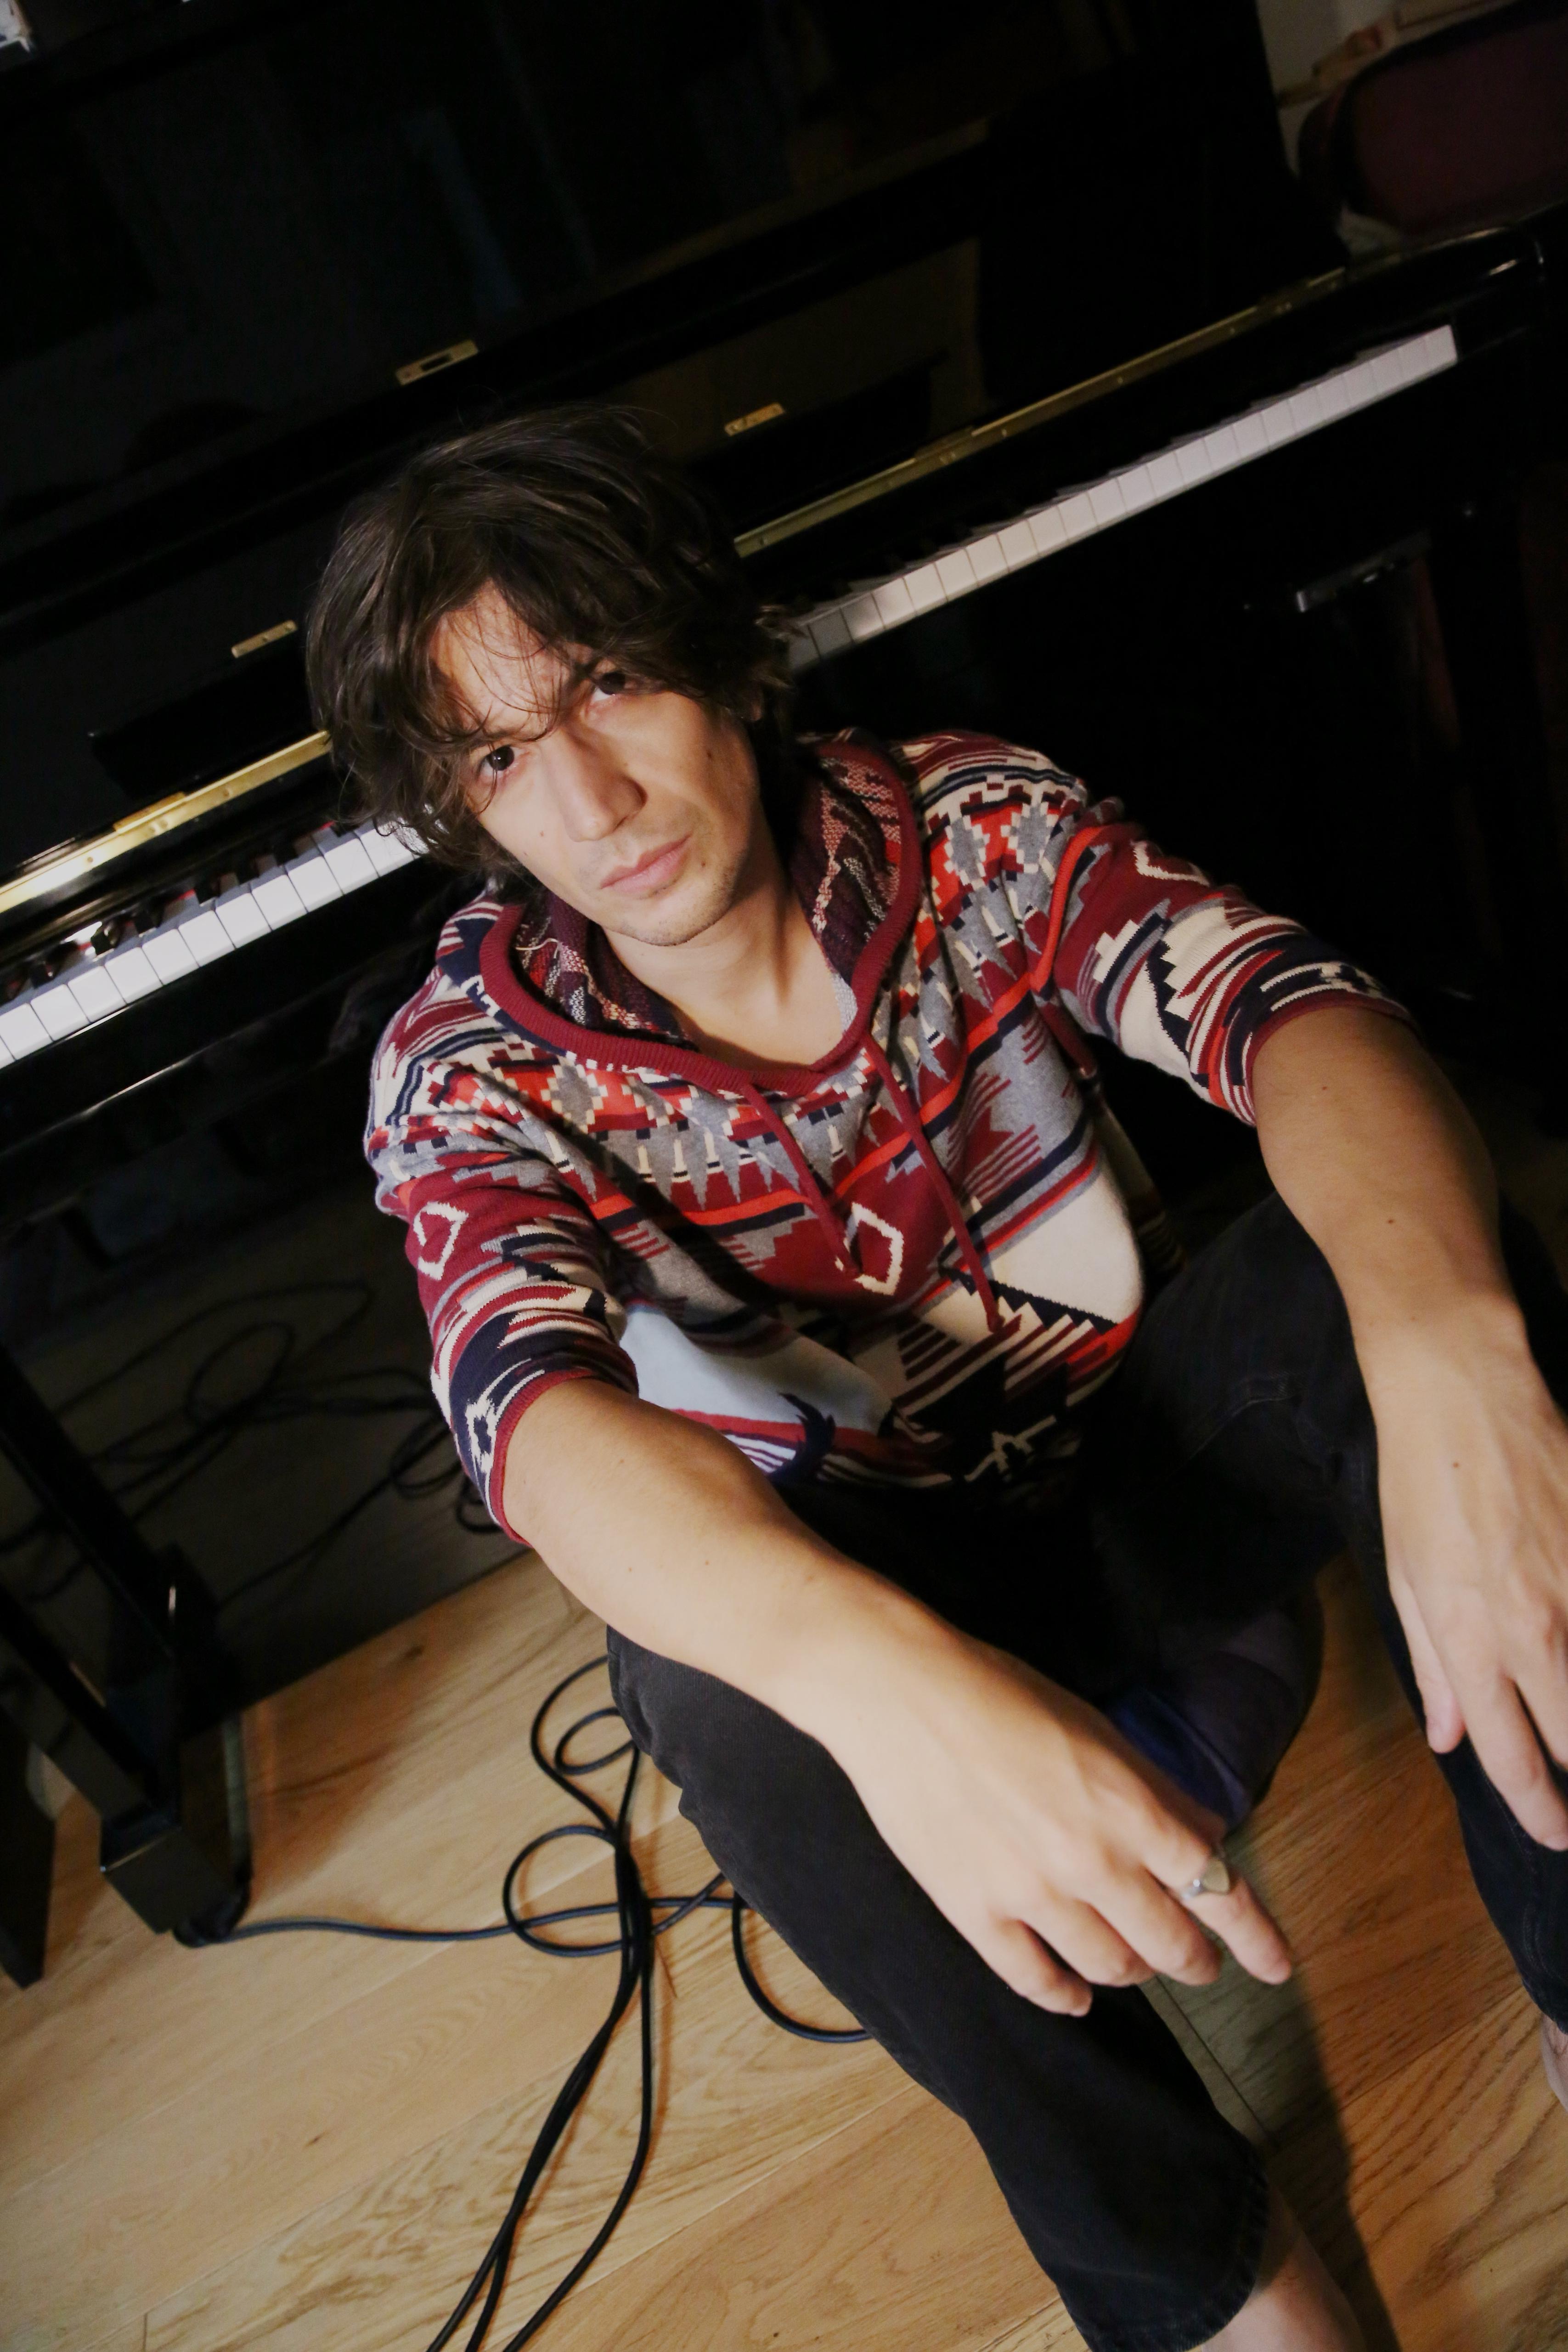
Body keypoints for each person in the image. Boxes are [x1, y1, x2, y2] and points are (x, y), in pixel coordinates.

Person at [306, 406, 1568, 2352]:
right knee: (696, 1679)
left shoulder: (962, 819)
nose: (590, 795)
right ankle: (1208, 2285)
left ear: (724, 652)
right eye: (496, 752)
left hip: (1148, 1490)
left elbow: (1286, 1010)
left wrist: (1450, 1346)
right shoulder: (472, 1065)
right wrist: (881, 1689)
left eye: (609, 679)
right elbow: (529, 1421)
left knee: (1419, 1270)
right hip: (894, 1610)